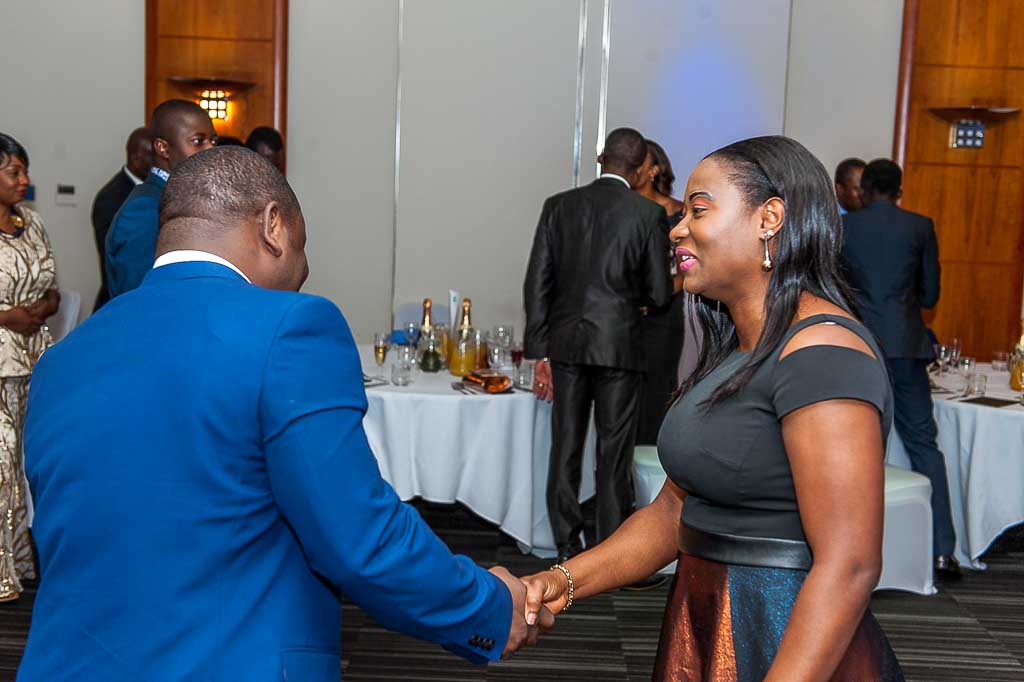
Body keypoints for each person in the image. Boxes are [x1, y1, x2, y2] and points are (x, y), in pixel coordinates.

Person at [21, 146, 548, 680]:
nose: (301, 276)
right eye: (302, 251)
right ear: (273, 226)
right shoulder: (290, 327)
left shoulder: (60, 360)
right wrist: (488, 607)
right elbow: (359, 539)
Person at [522, 136, 905, 681]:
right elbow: (673, 514)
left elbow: (850, 565)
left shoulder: (823, 353)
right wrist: (563, 580)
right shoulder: (737, 353)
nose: (676, 228)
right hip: (709, 622)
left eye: (698, 210)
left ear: (769, 218)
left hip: (786, 639)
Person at [524, 128, 673, 563]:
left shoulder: (558, 206)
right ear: (640, 168)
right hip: (619, 344)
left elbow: (537, 283)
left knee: (565, 445)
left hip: (566, 344)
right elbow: (659, 293)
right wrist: (631, 299)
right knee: (613, 451)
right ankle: (609, 548)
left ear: (600, 158)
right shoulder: (647, 214)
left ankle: (566, 543)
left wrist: (539, 351)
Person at [841, 158, 960, 579]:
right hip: (907, 347)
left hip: (858, 347)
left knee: (858, 446)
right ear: (899, 191)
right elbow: (930, 296)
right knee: (924, 444)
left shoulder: (845, 227)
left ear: (863, 190)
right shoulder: (919, 227)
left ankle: (853, 552)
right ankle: (942, 550)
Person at [0, 133, 59, 602]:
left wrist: (43, 307)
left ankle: (21, 561)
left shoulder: (32, 222)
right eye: (14, 171)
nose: (25, 180)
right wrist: (6, 317)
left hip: (34, 355)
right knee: (1, 463)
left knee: (27, 462)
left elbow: (51, 284)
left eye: (25, 170)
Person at [105, 99, 216, 299]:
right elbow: (137, 295)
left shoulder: (182, 197)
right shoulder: (145, 208)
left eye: (213, 141)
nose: (210, 149)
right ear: (162, 148)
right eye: (198, 141)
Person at [634, 139, 687, 444]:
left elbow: (688, 266)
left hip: (664, 315)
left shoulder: (679, 213)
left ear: (654, 170)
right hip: (625, 317)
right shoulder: (622, 209)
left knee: (657, 392)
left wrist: (657, 297)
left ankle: (651, 464)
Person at [90, 127, 153, 311]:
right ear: (136, 158)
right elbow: (116, 260)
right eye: (152, 156)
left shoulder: (147, 191)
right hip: (120, 302)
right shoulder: (112, 197)